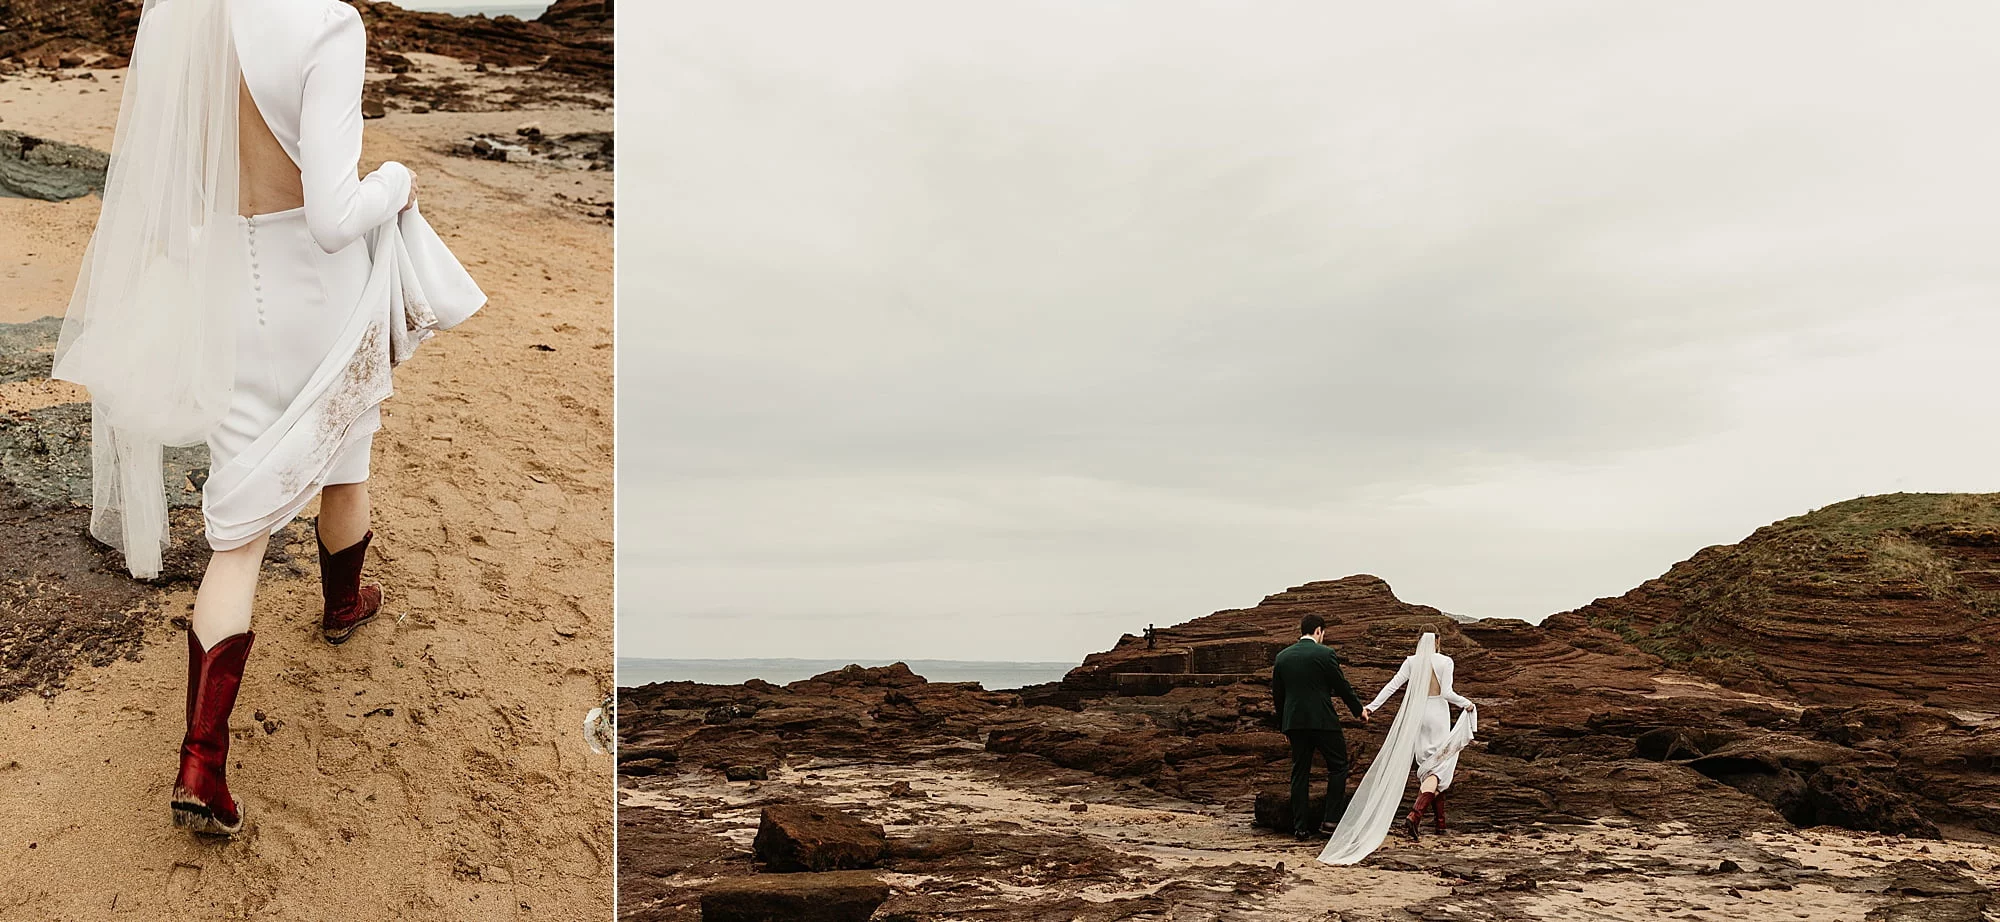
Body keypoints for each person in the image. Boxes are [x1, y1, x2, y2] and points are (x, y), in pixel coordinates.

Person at [53, 0, 476, 837]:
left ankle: (201, 763)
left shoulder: (193, 21)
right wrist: (396, 182)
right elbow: (331, 219)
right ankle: (344, 605)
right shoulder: (327, 25)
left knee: (238, 534)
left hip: (226, 290)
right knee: (349, 448)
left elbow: (177, 184)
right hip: (316, 296)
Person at [1318, 632, 1477, 865]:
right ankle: (1416, 814)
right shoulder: (1445, 661)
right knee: (1438, 767)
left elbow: (1391, 686)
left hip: (1417, 716)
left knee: (1429, 767)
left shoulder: (1412, 662)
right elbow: (1446, 693)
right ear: (1438, 642)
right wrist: (1467, 704)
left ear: (1419, 641)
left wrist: (1371, 708)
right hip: (1438, 716)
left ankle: (1439, 824)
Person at [1270, 614, 1366, 840]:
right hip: (1323, 721)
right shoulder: (1325, 654)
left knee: (1300, 772)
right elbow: (1341, 686)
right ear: (1318, 631)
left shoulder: (1282, 657)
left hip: (1294, 722)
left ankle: (1300, 827)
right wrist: (1358, 710)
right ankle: (1330, 821)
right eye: (1323, 633)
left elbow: (1278, 695)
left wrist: (1283, 725)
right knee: (1338, 766)